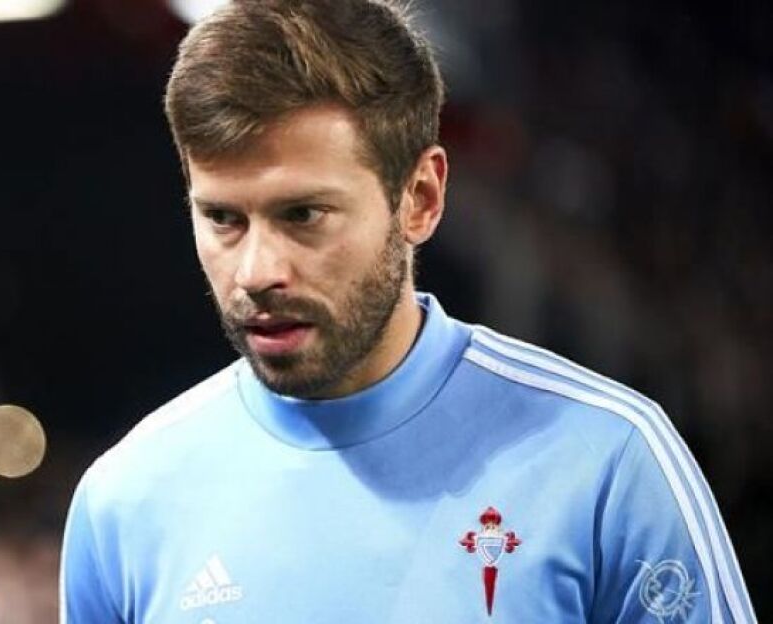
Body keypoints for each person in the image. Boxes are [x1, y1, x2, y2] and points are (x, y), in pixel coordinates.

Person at [60, 0, 755, 621]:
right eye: (222, 219)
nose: (256, 272)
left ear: (420, 198)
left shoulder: (608, 462)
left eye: (303, 214)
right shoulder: (125, 502)